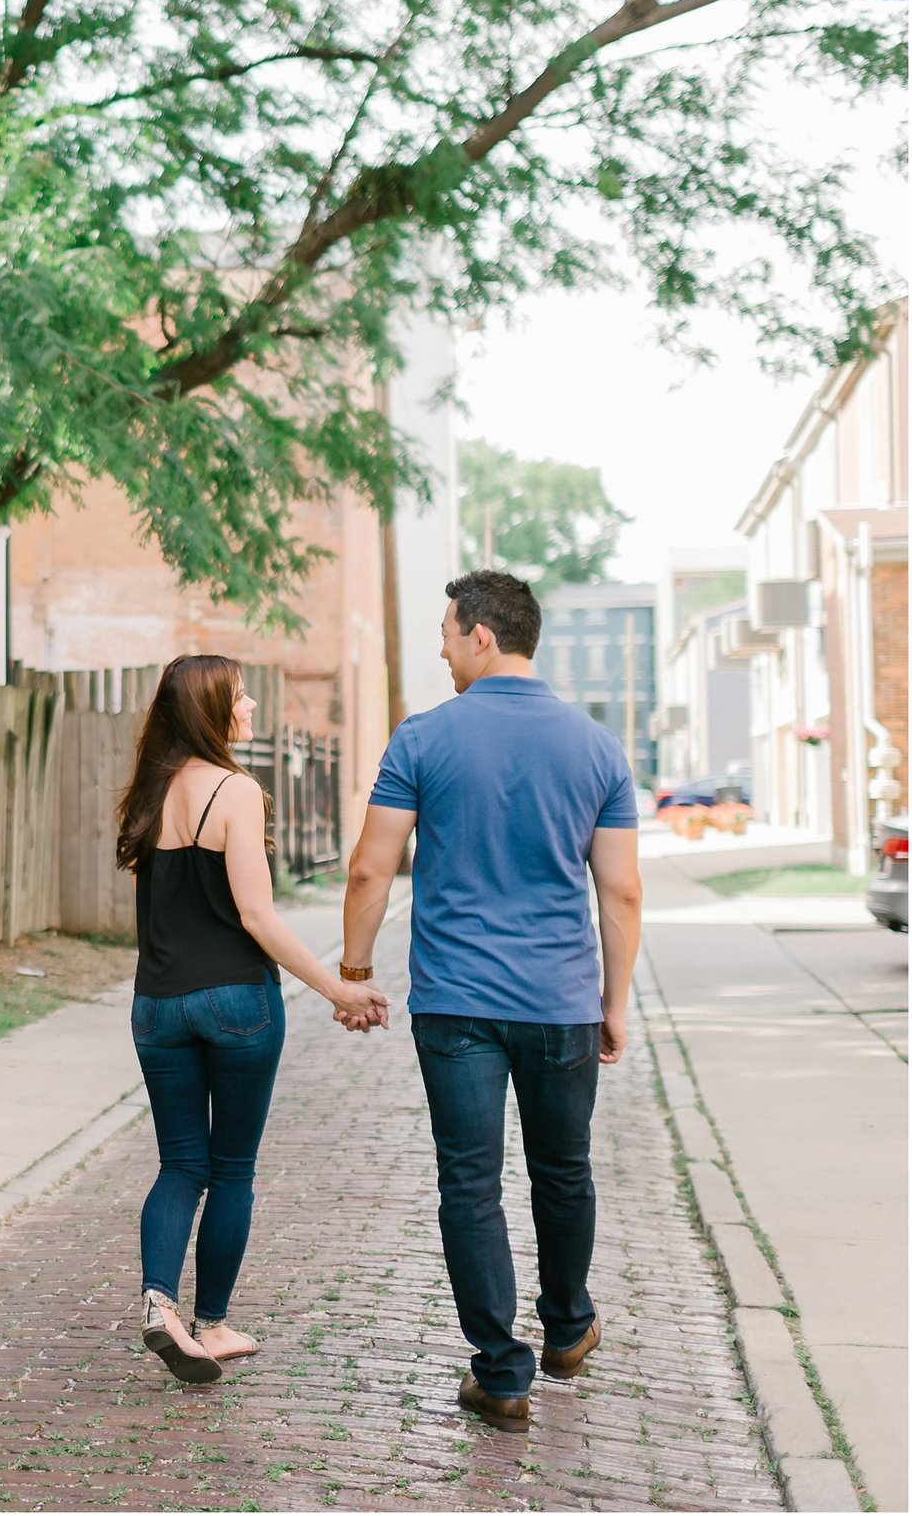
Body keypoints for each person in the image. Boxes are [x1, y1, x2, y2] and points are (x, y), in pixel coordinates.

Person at [340, 570, 643, 1433]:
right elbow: (619, 892)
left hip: (458, 1005)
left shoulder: (423, 739)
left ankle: (502, 1375)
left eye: (446, 631)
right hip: (562, 1002)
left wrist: (355, 969)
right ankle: (570, 1325)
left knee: (470, 1185)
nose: (439, 646)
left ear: (481, 635)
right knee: (564, 1169)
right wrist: (612, 1002)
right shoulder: (595, 747)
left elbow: (371, 865)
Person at [116, 654, 389, 1384]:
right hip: (236, 1001)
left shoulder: (149, 796)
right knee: (230, 1170)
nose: (252, 706)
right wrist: (337, 987)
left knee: (180, 1164)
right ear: (212, 711)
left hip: (157, 1005)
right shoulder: (235, 791)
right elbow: (257, 915)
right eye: (240, 697)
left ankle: (158, 1302)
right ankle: (212, 1322)